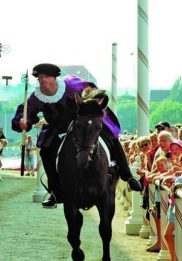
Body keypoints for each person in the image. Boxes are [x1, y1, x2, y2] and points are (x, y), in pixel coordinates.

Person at [11, 63, 139, 208]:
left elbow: (92, 92)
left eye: (45, 77)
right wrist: (23, 122)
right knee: (46, 151)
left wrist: (91, 101)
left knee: (110, 136)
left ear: (54, 78)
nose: (42, 80)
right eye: (39, 78)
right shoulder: (36, 97)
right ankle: (54, 192)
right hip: (57, 128)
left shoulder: (72, 84)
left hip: (82, 122)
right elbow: (25, 111)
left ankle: (128, 176)